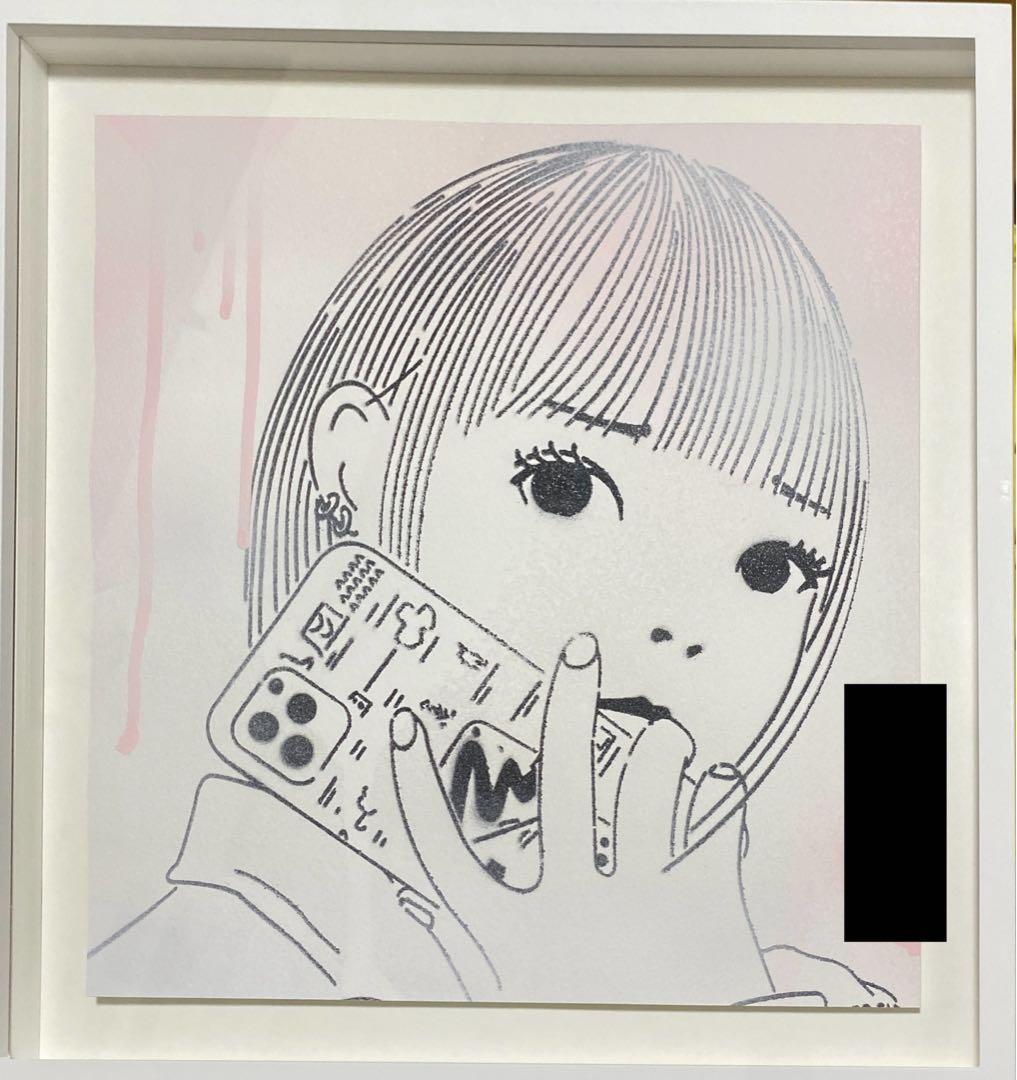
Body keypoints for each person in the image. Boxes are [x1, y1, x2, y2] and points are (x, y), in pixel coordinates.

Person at [89, 141, 895, 1007]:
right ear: (357, 466)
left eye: (771, 567)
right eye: (562, 488)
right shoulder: (194, 977)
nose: (677, 623)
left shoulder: (820, 996)